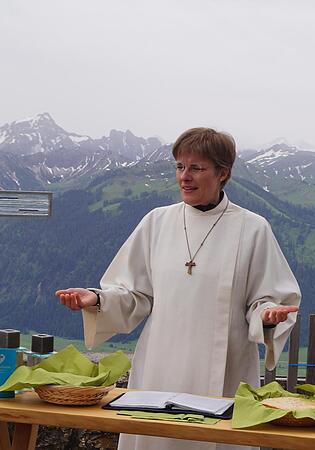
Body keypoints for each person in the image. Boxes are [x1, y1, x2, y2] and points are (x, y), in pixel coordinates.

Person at [55, 127, 301, 450]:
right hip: (159, 370)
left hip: (222, 376)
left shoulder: (252, 229)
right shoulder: (157, 223)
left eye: (196, 168)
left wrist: (267, 317)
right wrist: (98, 299)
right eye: (179, 167)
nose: (184, 177)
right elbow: (135, 295)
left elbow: (264, 302)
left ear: (222, 173)